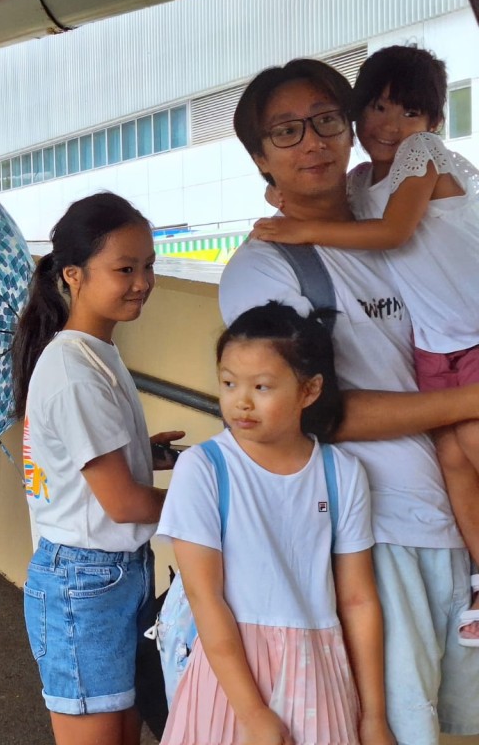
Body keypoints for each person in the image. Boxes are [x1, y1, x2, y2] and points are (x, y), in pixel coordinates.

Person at [220, 58, 479, 744]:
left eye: (328, 119)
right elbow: (311, 415)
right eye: (286, 131)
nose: (314, 142)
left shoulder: (383, 218)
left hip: (451, 529)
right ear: (260, 159)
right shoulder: (267, 269)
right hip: (375, 541)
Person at [159, 303, 392, 745]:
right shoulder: (204, 468)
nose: (240, 401)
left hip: (319, 670)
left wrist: (373, 716)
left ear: (310, 391)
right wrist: (251, 713)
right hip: (232, 676)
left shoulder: (340, 473)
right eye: (228, 383)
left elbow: (359, 600)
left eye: (262, 386)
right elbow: (205, 597)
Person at [10, 192, 182, 744]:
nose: (143, 281)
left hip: (112, 573)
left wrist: (139, 451)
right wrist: (219, 497)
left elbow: (83, 466)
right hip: (85, 583)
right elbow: (125, 503)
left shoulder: (93, 352)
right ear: (74, 275)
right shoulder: (75, 369)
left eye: (149, 265)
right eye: (125, 268)